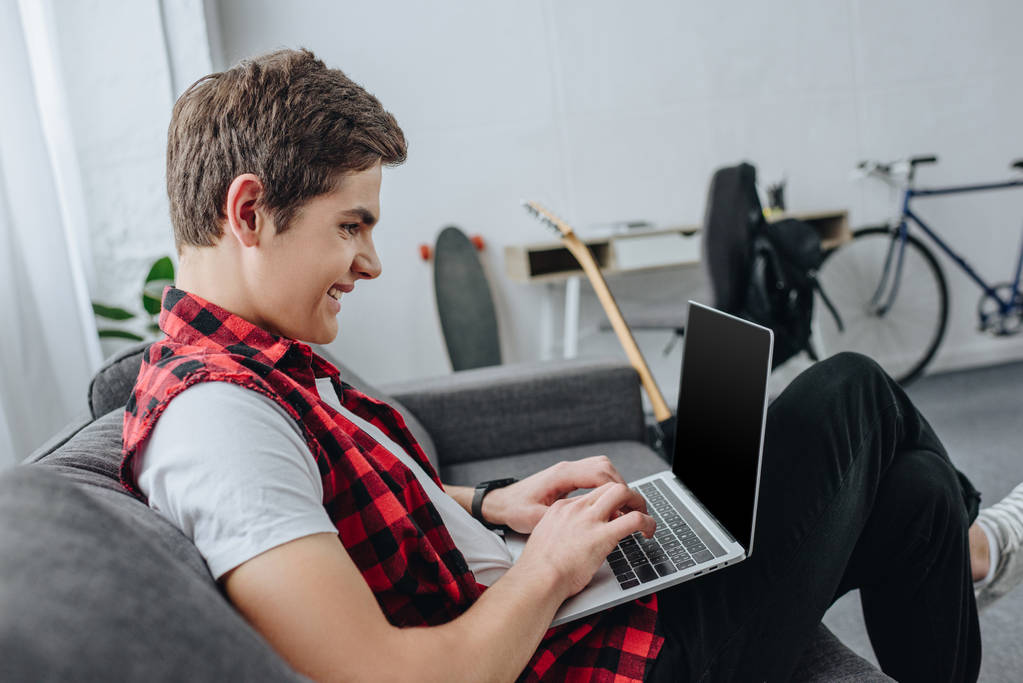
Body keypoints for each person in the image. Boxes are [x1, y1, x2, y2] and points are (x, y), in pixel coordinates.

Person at [119, 48, 1022, 682]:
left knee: (912, 498)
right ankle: (980, 545)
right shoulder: (219, 425)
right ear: (249, 212)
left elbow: (340, 504)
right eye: (350, 225)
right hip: (617, 664)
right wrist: (547, 569)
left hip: (576, 626)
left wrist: (490, 503)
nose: (370, 262)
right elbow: (393, 676)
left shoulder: (257, 368)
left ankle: (964, 539)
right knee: (851, 388)